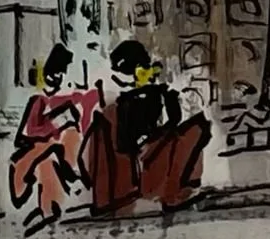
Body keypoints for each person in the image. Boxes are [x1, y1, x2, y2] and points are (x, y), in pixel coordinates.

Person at [82, 40, 211, 217]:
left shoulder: (119, 100)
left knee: (192, 129)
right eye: (144, 67)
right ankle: (174, 194)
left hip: (123, 177)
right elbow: (132, 141)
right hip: (134, 169)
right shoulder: (127, 100)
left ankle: (181, 189)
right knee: (196, 129)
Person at [9, 44, 97, 233]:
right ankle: (49, 207)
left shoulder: (69, 100)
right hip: (38, 154)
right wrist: (57, 124)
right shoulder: (39, 99)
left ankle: (50, 206)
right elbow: (26, 134)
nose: (58, 78)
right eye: (56, 74)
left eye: (61, 74)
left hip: (59, 154)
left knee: (54, 154)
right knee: (47, 159)